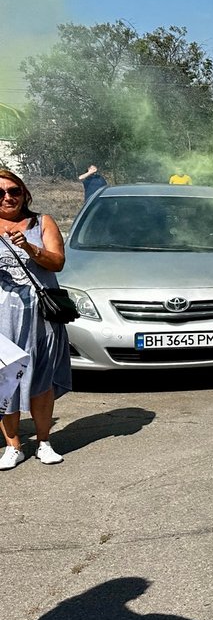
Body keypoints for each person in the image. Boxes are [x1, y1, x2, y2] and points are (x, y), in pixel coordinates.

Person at [0, 169, 72, 470]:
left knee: (41, 378)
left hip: (41, 316)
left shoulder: (42, 222)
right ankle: (13, 446)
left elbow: (57, 262)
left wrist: (28, 247)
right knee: (5, 381)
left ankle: (44, 442)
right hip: (3, 317)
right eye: (0, 193)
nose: (8, 197)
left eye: (14, 191)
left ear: (24, 193)